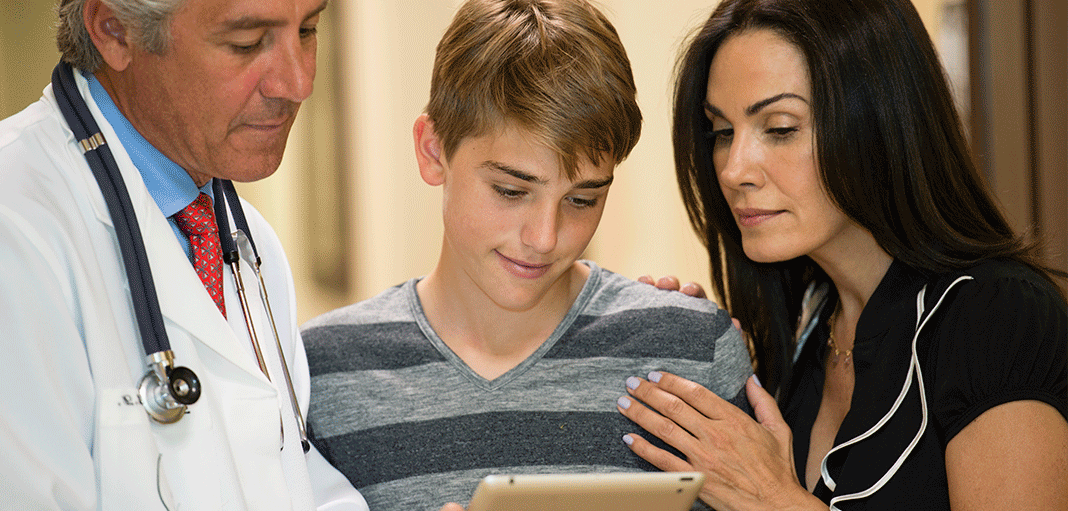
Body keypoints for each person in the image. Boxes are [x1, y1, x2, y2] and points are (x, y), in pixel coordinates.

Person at [299, 1, 753, 510]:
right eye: (512, 191)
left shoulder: (691, 354)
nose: (544, 237)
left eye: (582, 200)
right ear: (433, 150)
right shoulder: (318, 374)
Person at [616, 0, 1068, 509]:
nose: (733, 168)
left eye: (780, 127)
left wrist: (774, 499)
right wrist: (690, 355)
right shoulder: (800, 332)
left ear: (881, 121)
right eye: (722, 133)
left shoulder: (1000, 315)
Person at [0, 0, 367, 509]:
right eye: (246, 42)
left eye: (307, 30)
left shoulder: (244, 242)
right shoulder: (16, 223)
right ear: (114, 31)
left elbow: (283, 477)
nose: (298, 83)